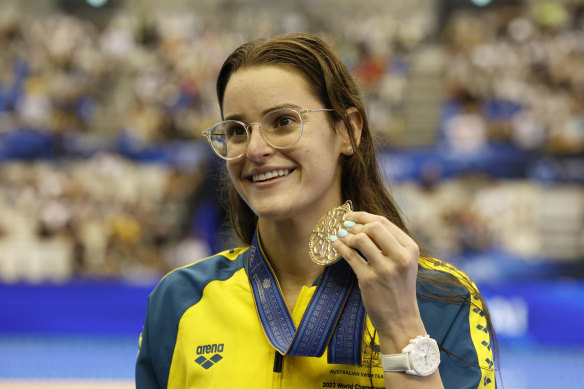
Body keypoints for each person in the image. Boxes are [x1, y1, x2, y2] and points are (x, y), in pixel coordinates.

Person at [136, 33, 497, 389]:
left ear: (348, 131)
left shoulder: (439, 297)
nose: (256, 149)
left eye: (283, 122)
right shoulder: (181, 299)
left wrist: (402, 327)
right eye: (236, 130)